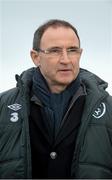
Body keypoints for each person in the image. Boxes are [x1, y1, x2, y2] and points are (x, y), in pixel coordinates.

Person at [0, 19, 112, 179]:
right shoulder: (3, 106)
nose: (66, 60)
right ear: (35, 57)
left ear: (80, 54)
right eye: (55, 51)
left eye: (72, 50)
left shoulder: (109, 110)